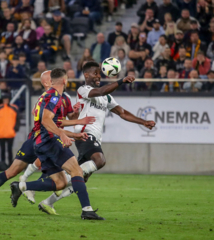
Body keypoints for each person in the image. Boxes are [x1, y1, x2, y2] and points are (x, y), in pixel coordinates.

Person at [33, 62, 155, 214]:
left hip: (95, 137)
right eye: (95, 73)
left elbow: (122, 113)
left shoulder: (106, 98)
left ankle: (47, 202)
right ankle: (64, 178)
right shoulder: (84, 90)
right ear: (86, 75)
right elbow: (100, 91)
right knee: (99, 160)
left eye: (99, 73)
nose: (99, 76)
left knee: (81, 179)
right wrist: (120, 81)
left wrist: (144, 122)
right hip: (85, 134)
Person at [0, 71, 95, 214]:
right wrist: (73, 127)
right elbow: (48, 122)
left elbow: (61, 120)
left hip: (48, 137)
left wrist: (76, 115)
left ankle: (25, 186)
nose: (53, 81)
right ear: (47, 83)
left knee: (60, 180)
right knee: (11, 171)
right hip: (40, 138)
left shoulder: (64, 98)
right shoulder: (48, 97)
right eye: (49, 79)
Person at [0, 91, 20, 166]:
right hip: (1, 133)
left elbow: (18, 120)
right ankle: (3, 164)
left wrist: (15, 129)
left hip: (10, 133)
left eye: (7, 99)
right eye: (4, 99)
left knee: (9, 149)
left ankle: (10, 164)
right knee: (2, 150)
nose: (5, 100)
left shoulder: (14, 108)